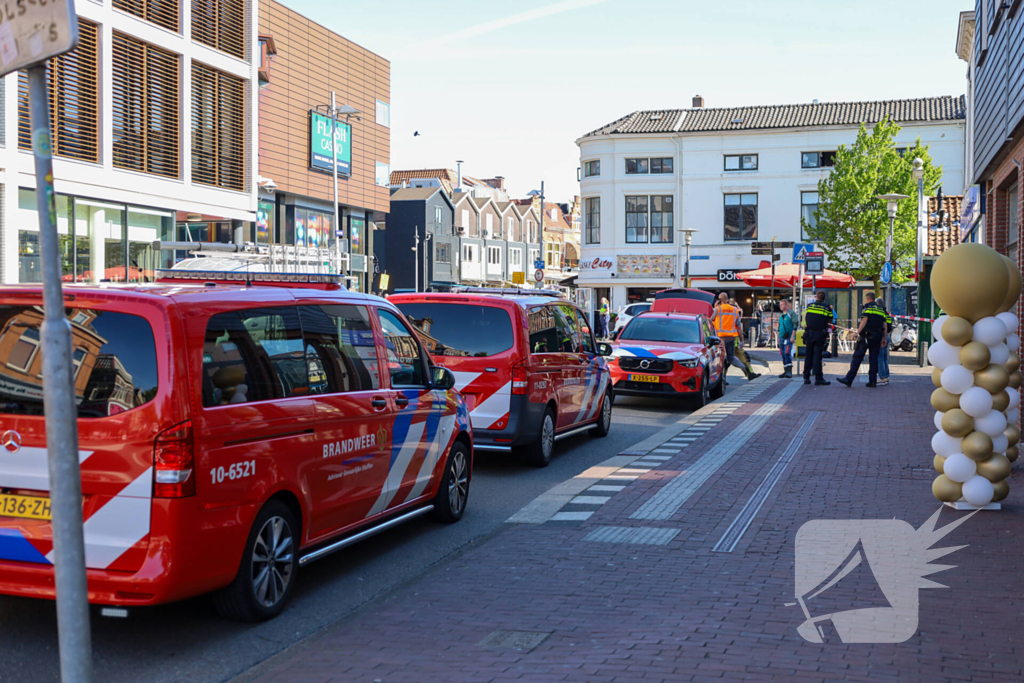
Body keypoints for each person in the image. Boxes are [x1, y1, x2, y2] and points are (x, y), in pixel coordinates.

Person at [837, 292, 888, 388]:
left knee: (857, 358)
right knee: (874, 360)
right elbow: (884, 325)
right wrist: (884, 338)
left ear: (868, 299)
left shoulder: (868, 308)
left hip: (866, 337)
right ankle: (872, 381)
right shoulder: (881, 310)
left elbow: (864, 320)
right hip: (877, 337)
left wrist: (857, 333)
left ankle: (849, 379)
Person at [713, 292, 758, 382]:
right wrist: (742, 339)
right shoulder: (734, 310)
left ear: (720, 300)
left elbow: (710, 320)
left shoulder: (717, 309)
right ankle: (744, 369)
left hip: (719, 338)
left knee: (719, 360)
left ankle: (721, 379)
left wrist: (715, 307)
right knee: (731, 357)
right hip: (731, 338)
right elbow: (738, 326)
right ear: (727, 299)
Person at [802, 292, 832, 386]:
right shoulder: (827, 308)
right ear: (824, 298)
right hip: (820, 334)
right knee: (818, 356)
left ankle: (806, 377)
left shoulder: (810, 306)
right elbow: (830, 319)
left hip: (809, 333)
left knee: (809, 355)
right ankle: (818, 378)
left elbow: (806, 317)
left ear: (816, 297)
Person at [777, 299, 796, 378]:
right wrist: (778, 338)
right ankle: (785, 370)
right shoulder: (781, 316)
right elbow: (779, 327)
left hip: (789, 336)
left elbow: (795, 325)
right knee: (783, 354)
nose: (780, 306)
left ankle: (789, 371)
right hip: (782, 337)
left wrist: (792, 336)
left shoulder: (791, 313)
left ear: (786, 305)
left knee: (787, 352)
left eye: (782, 304)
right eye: (780, 304)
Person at [878, 304, 893, 385]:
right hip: (887, 335)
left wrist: (883, 337)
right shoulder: (887, 313)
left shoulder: (880, 313)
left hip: (883, 336)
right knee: (884, 357)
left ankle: (882, 377)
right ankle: (886, 376)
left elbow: (885, 325)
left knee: (880, 357)